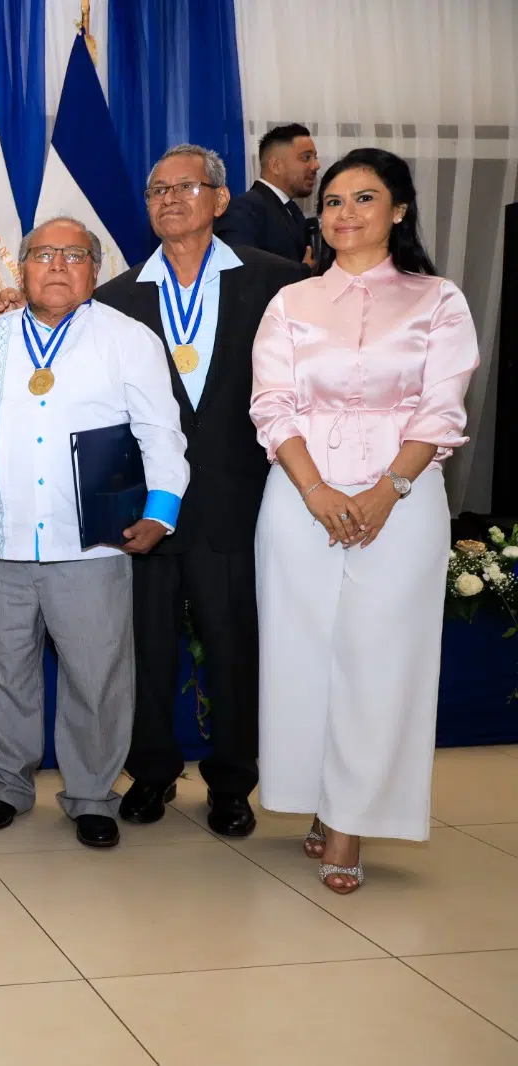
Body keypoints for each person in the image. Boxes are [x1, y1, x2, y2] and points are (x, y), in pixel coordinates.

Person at [250, 147, 477, 894]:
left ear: (400, 209)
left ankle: (351, 821)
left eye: (365, 198)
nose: (345, 213)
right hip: (299, 498)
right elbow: (272, 406)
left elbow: (441, 410)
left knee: (381, 657)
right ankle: (319, 798)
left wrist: (387, 491)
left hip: (403, 500)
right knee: (301, 654)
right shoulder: (291, 302)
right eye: (333, 201)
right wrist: (316, 490)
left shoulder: (438, 300)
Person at [90, 145, 308, 837]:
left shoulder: (277, 283)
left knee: (233, 648)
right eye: (157, 190)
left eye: (184, 187)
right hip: (147, 509)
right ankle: (151, 771)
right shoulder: (115, 297)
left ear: (219, 199)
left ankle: (233, 782)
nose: (169, 199)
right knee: (147, 649)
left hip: (238, 502)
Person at [0, 217, 188, 849]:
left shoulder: (129, 339)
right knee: (3, 670)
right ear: (22, 267)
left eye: (74, 255)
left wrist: (160, 510)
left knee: (96, 675)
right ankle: (7, 783)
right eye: (43, 254)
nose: (57, 265)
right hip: (3, 538)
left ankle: (90, 794)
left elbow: (160, 432)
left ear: (95, 267)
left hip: (93, 542)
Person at [216, 124, 321, 264]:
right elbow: (238, 270)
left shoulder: (293, 211)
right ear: (276, 166)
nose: (316, 165)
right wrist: (302, 271)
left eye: (315, 157)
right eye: (306, 157)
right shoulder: (242, 210)